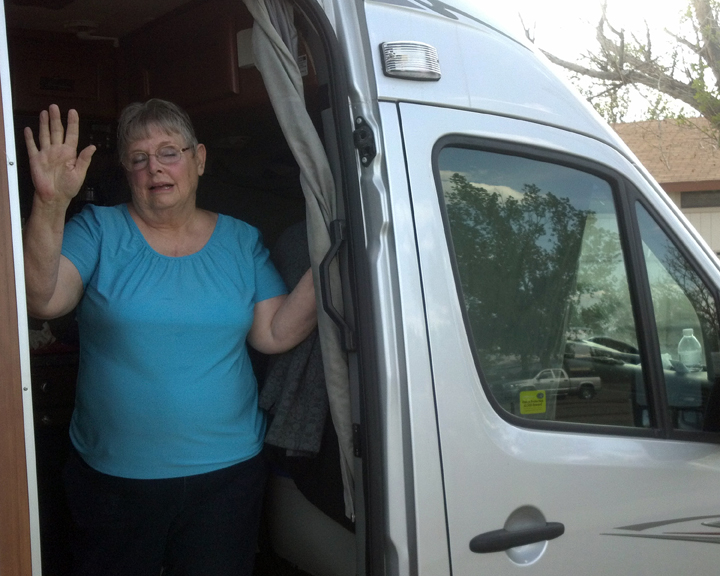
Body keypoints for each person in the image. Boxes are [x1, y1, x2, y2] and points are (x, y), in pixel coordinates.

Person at [22, 99, 317, 576]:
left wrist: (333, 257)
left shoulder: (241, 240)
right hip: (114, 481)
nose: (153, 167)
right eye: (138, 158)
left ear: (198, 159)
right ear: (126, 170)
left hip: (227, 476)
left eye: (168, 152)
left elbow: (273, 333)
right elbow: (44, 300)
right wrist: (52, 203)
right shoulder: (98, 228)